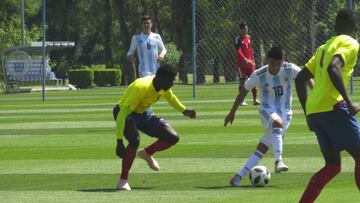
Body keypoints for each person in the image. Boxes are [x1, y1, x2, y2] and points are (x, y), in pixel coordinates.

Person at [295, 9, 360, 202]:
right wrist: (350, 101)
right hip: (333, 107)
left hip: (316, 111)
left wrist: (308, 113)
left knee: (332, 166)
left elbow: (300, 79)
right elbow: (334, 68)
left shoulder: (324, 46)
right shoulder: (351, 43)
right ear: (355, 27)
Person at [224, 47, 301, 186]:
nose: (275, 67)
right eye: (272, 63)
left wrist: (314, 92)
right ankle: (279, 161)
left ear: (282, 62)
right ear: (267, 60)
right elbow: (244, 90)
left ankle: (238, 177)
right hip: (266, 110)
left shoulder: (290, 69)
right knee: (277, 123)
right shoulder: (259, 74)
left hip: (286, 114)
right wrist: (232, 111)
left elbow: (306, 77)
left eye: (278, 64)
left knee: (263, 147)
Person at [113, 64, 196, 191]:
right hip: (127, 114)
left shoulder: (163, 86)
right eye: (170, 81)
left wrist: (184, 110)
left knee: (173, 137)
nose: (172, 84)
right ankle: (123, 181)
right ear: (159, 78)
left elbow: (171, 97)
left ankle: (146, 153)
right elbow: (122, 115)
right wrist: (119, 141)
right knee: (134, 140)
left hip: (144, 113)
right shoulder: (141, 88)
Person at [234, 22, 260, 106]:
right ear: (241, 29)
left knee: (254, 80)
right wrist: (245, 60)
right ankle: (242, 100)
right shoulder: (237, 39)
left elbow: (250, 50)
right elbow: (238, 51)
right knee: (242, 81)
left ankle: (255, 100)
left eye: (247, 29)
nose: (246, 30)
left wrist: (252, 60)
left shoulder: (248, 38)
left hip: (250, 63)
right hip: (242, 64)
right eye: (244, 29)